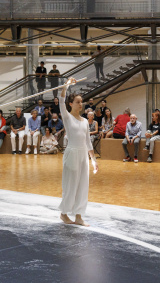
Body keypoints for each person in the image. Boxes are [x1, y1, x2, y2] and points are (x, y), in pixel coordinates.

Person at [58, 77, 99, 227]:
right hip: (71, 153)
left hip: (83, 155)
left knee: (83, 185)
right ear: (71, 104)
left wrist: (93, 160)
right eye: (77, 102)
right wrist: (67, 85)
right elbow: (61, 100)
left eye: (81, 102)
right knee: (71, 184)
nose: (81, 104)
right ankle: (64, 213)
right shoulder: (67, 117)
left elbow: (88, 141)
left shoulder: (84, 121)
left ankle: (79, 216)